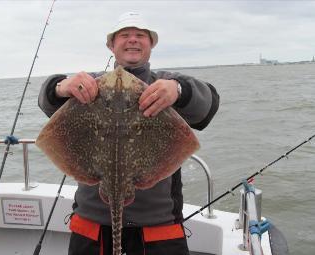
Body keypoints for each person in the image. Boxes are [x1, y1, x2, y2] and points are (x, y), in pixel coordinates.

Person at [38, 12, 219, 255]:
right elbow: (46, 101)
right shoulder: (88, 86)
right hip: (90, 229)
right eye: (124, 35)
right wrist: (61, 86)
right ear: (111, 45)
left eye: (140, 35)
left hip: (159, 230)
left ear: (151, 44)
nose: (132, 39)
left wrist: (179, 90)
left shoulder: (166, 83)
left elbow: (208, 105)